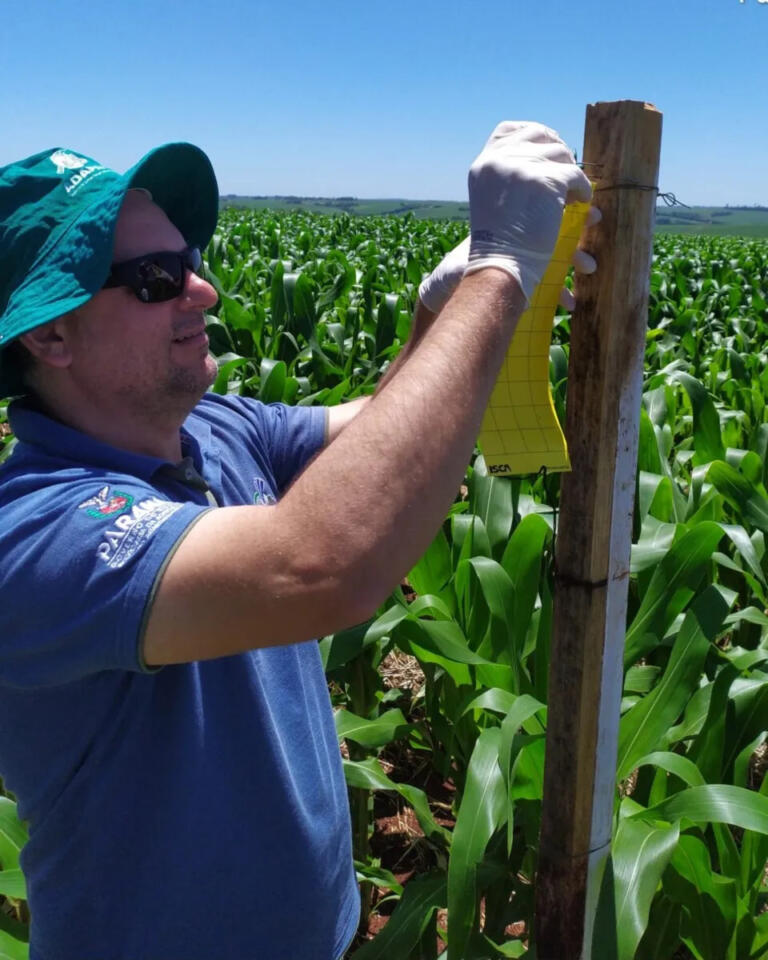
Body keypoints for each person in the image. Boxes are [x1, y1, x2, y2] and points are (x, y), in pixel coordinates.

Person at [0, 123, 597, 960]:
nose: (203, 291)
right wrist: (501, 270)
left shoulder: (214, 428)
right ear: (49, 335)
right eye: (156, 278)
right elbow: (323, 563)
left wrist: (439, 308)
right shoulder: (38, 532)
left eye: (191, 260)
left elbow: (381, 439)